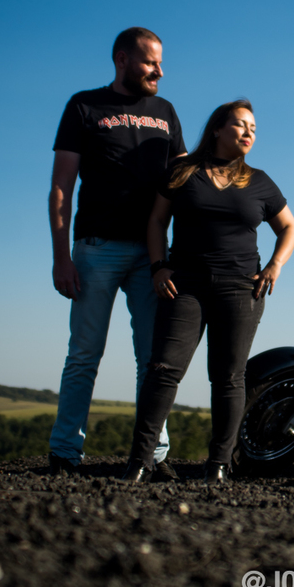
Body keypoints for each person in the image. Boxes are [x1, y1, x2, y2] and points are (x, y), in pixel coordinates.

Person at [122, 99, 294, 485]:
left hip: (241, 289)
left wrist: (275, 264)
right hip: (185, 285)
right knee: (163, 370)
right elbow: (156, 220)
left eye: (254, 128)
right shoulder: (183, 171)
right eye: (240, 124)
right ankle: (140, 461)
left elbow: (290, 227)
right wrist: (158, 265)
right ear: (217, 129)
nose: (249, 132)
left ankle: (219, 464)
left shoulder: (260, 181)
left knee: (229, 377)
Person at [48, 27, 186, 475]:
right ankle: (65, 452)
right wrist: (61, 256)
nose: (159, 71)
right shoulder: (84, 106)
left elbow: (184, 183)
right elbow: (61, 187)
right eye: (150, 62)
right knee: (84, 355)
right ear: (122, 60)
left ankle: (155, 455)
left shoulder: (165, 112)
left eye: (160, 63)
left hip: (152, 256)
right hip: (96, 250)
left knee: (154, 360)